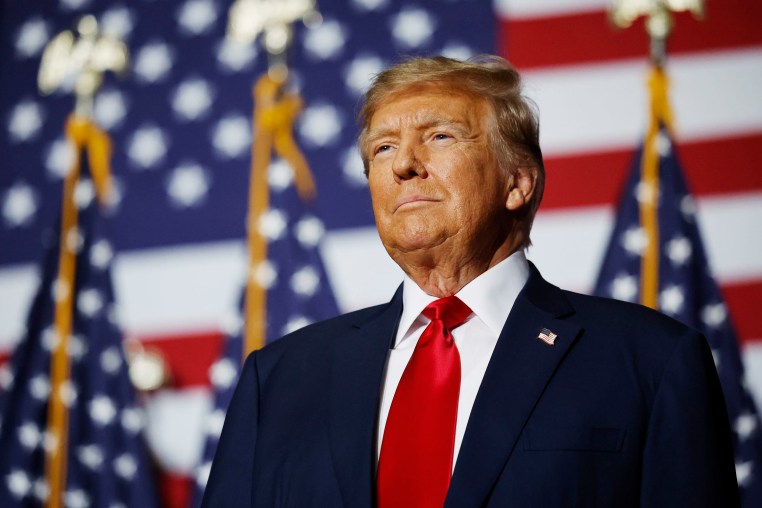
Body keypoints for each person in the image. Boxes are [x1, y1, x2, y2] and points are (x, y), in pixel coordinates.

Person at [201, 55, 739, 507]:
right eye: (382, 148)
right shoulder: (278, 379)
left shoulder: (649, 360)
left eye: (439, 135)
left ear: (517, 182)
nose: (404, 164)